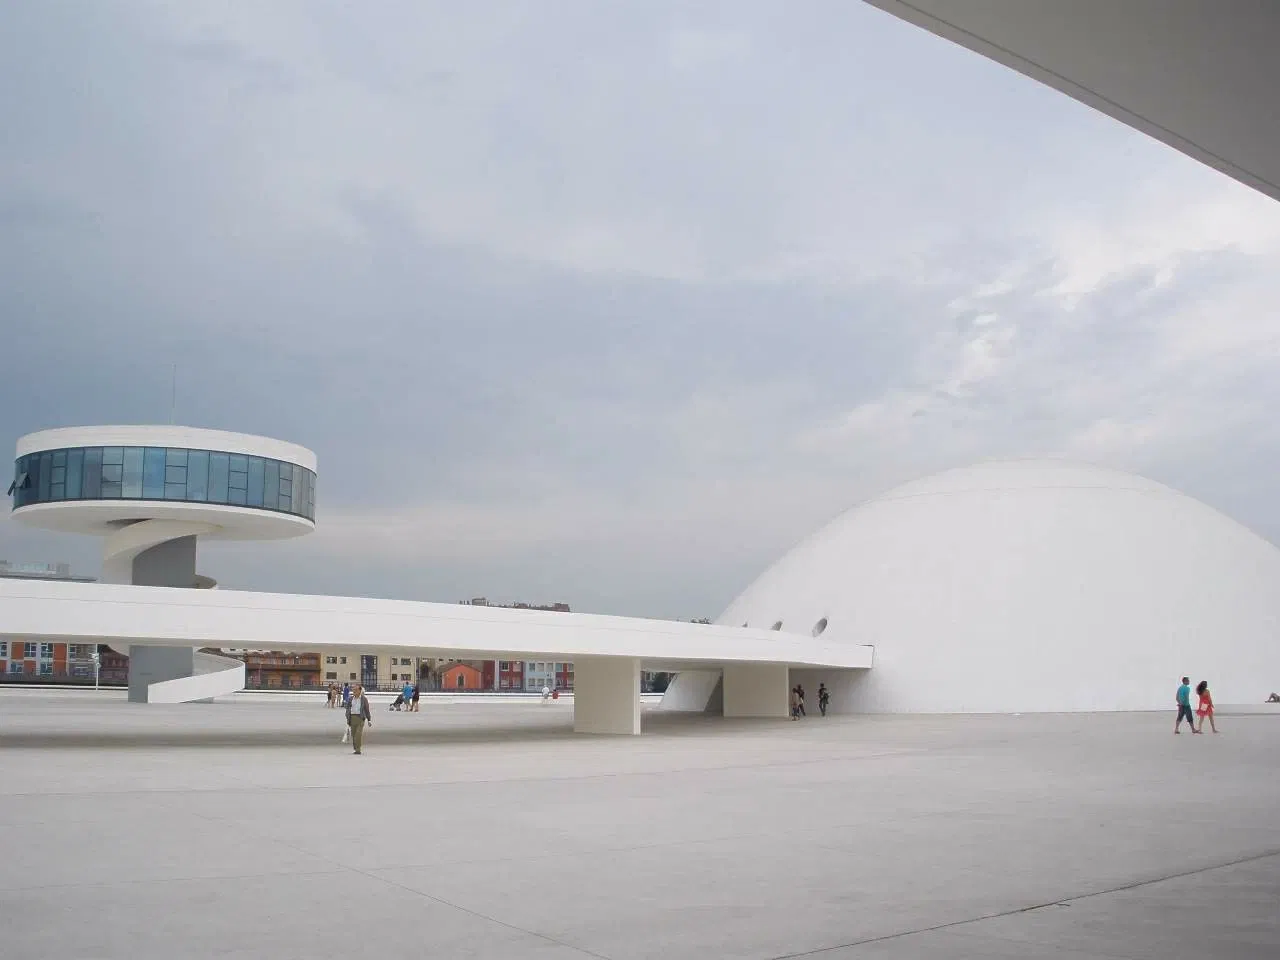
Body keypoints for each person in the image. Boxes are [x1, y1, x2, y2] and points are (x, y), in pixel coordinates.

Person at [345, 683, 372, 754]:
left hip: (360, 718)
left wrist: (369, 719)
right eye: (353, 690)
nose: (354, 692)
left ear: (360, 691)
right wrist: (347, 715)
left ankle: (358, 749)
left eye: (356, 690)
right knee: (353, 734)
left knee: (358, 734)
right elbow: (348, 707)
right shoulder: (351, 699)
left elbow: (366, 709)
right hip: (352, 718)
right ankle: (355, 748)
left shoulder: (363, 699)